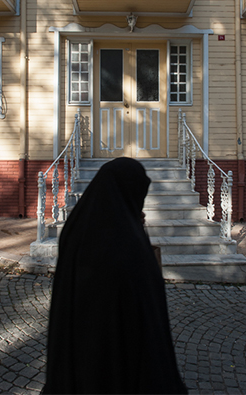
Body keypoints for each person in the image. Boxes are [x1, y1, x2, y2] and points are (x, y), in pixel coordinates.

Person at [42, 157, 187, 394]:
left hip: (77, 361)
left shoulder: (77, 229)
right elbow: (145, 317)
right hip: (121, 366)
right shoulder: (128, 245)